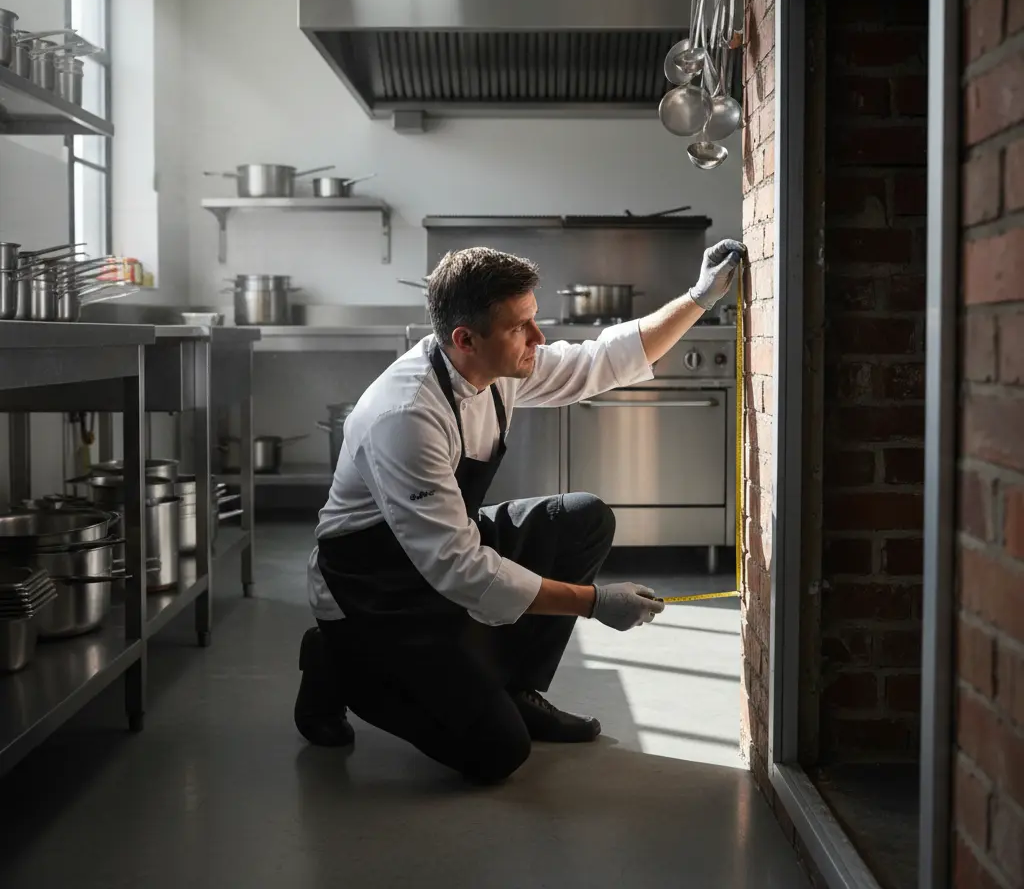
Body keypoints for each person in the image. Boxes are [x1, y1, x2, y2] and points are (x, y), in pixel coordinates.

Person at [295, 238, 745, 783]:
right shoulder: (405, 417)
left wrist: (700, 298)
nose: (539, 338)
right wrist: (594, 602)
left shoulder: (497, 367)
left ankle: (517, 688)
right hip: (374, 585)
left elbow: (603, 359)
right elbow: (458, 569)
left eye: (535, 319)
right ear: (466, 339)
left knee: (581, 520)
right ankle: (336, 663)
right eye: (520, 327)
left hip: (441, 546)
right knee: (496, 752)